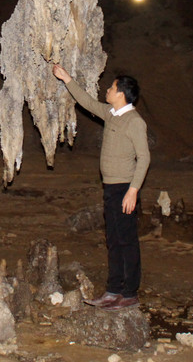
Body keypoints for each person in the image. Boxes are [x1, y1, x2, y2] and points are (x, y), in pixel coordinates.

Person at [52, 63, 150, 311]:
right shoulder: (111, 113)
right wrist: (67, 79)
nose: (107, 90)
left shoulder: (134, 121)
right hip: (110, 188)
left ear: (121, 93)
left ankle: (129, 293)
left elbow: (145, 157)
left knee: (127, 241)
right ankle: (113, 290)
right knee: (114, 240)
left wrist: (133, 190)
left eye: (112, 87)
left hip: (124, 188)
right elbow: (87, 102)